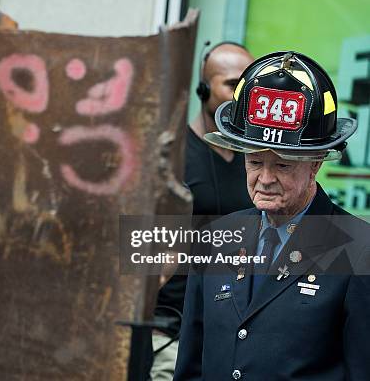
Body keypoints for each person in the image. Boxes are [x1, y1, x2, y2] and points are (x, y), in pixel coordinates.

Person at [173, 51, 370, 380]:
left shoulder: (359, 251)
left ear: (316, 163)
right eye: (253, 161)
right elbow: (191, 366)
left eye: (282, 164)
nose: (264, 179)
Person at [151, 42, 254, 381]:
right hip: (172, 330)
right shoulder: (172, 154)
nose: (242, 95)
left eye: (248, 86)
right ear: (203, 89)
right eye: (232, 84)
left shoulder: (257, 160)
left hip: (234, 327)